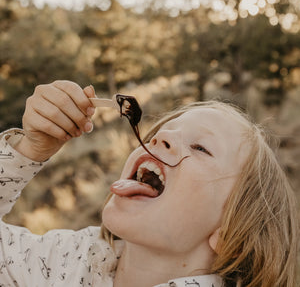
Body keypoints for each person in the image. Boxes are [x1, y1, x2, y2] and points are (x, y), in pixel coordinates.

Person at [0, 80, 298, 287]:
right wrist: (29, 151)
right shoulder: (66, 260)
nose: (159, 138)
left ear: (235, 235)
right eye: (161, 132)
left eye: (200, 148)